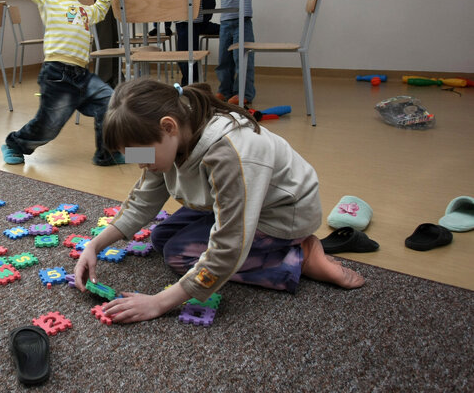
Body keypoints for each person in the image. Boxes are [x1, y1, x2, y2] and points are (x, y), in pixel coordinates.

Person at [74, 78, 364, 323]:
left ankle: (299, 257)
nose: (139, 164)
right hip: (241, 199)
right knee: (162, 237)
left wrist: (160, 302)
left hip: (283, 215)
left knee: (178, 253)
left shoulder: (229, 155)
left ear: (168, 127)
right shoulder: (168, 133)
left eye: (140, 154)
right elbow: (143, 198)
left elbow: (230, 246)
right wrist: (95, 245)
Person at [1, 0, 126, 167]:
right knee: (50, 126)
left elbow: (99, 11)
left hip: (82, 75)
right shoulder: (49, 0)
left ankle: (107, 153)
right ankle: (14, 144)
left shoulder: (82, 9)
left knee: (110, 101)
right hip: (57, 74)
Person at [203, 0, 269, 105]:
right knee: (224, 60)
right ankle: (224, 91)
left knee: (243, 59)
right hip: (225, 21)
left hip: (243, 21)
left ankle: (244, 93)